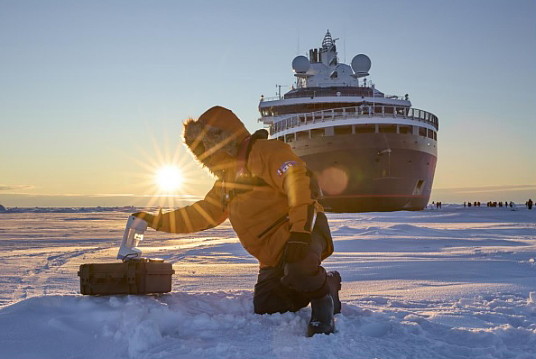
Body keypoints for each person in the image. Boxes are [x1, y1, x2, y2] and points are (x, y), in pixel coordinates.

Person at [132, 106, 340, 337]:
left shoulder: (266, 152)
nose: (206, 153)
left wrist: (300, 234)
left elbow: (298, 183)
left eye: (207, 145)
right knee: (268, 306)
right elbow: (200, 214)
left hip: (304, 230)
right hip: (272, 254)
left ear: (224, 138)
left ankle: (323, 300)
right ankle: (320, 281)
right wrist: (156, 221)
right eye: (200, 149)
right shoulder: (226, 183)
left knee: (299, 270)